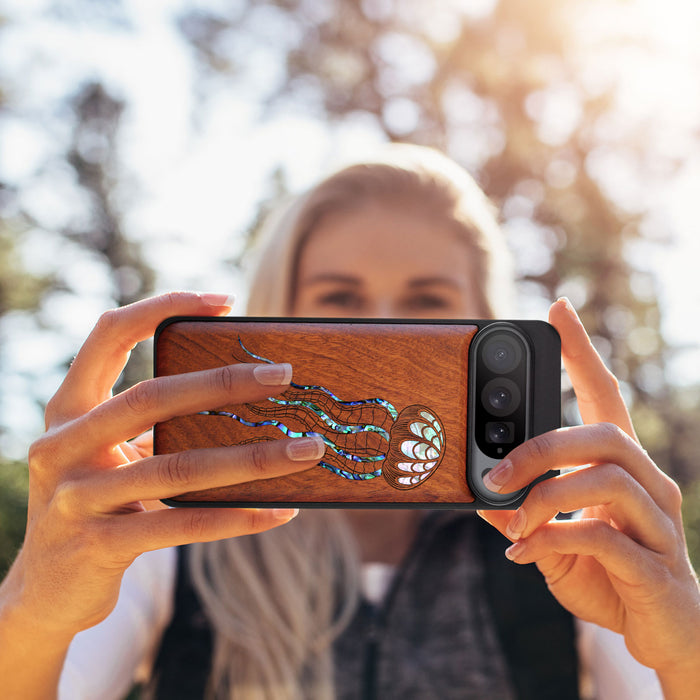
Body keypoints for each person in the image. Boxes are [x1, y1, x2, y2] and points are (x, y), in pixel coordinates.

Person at [0, 145, 698, 700]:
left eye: (427, 302)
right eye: (340, 299)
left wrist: (685, 648)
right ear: (280, 312)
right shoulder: (170, 536)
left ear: (486, 322)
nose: (385, 326)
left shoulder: (567, 544)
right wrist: (34, 607)